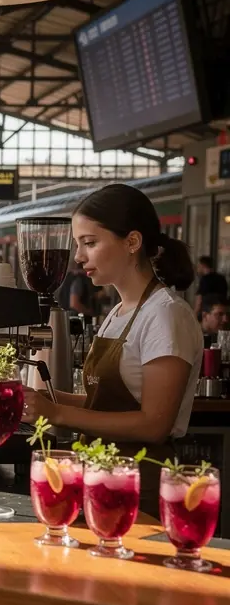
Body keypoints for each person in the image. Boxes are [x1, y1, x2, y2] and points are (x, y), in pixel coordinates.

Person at [23, 183, 203, 516]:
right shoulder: (120, 311)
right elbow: (103, 405)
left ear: (132, 242)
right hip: (100, 475)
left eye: (90, 243)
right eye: (78, 245)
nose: (78, 257)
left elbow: (154, 424)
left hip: (138, 487)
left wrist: (58, 414)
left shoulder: (165, 315)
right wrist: (47, 398)